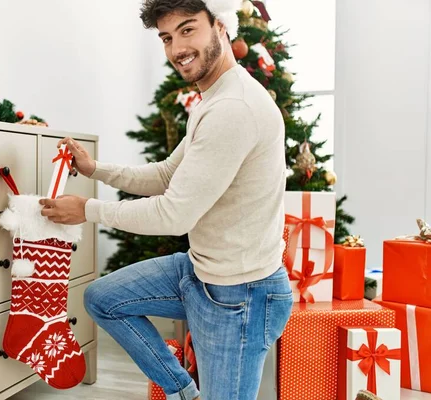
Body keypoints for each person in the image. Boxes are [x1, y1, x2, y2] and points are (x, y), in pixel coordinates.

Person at [39, 0, 293, 398]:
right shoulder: (213, 99)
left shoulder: (233, 108)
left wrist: (87, 210)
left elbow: (174, 215)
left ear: (220, 27)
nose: (177, 49)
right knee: (103, 298)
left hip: (240, 296)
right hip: (201, 271)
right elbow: (167, 175)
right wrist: (96, 170)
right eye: (167, 38)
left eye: (188, 30)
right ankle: (182, 390)